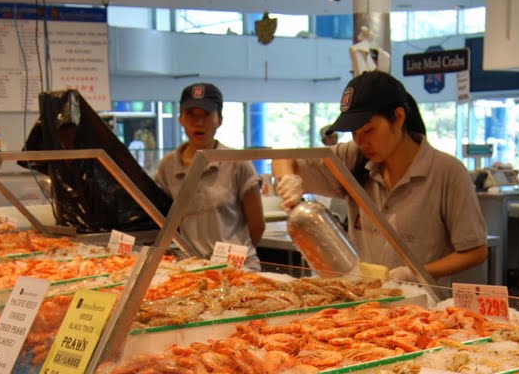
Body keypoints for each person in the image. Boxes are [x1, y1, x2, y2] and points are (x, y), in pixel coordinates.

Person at [273, 71, 488, 286]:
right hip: (362, 299)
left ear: (399, 118)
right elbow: (283, 157)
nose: (362, 142)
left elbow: (475, 252)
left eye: (369, 131)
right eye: (355, 134)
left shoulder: (447, 172)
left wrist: (414, 273)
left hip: (422, 302)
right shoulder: (353, 157)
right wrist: (288, 180)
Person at [155, 82, 265, 270]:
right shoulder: (168, 166)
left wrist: (238, 257)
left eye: (206, 114)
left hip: (238, 267)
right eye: (191, 114)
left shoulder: (236, 162)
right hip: (192, 267)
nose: (198, 122)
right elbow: (168, 221)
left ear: (219, 119)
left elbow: (257, 224)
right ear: (180, 118)